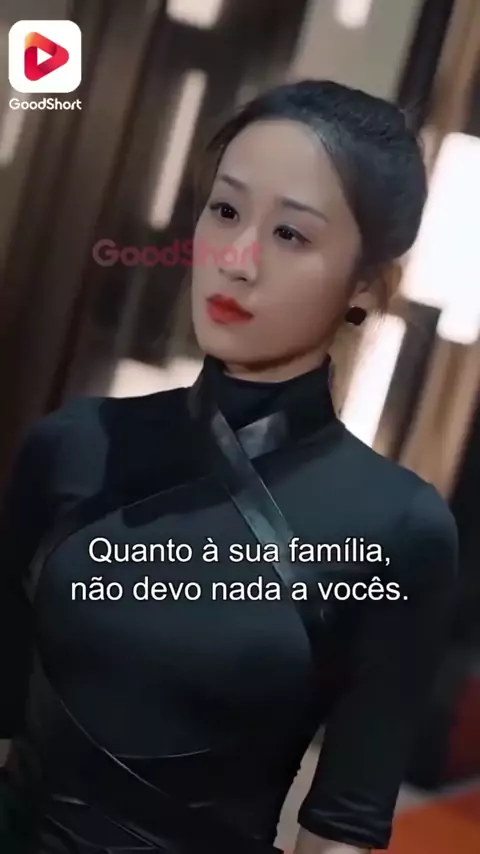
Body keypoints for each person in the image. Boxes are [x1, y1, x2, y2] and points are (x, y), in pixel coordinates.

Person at [0, 79, 457, 854]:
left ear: (365, 284)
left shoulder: (399, 528)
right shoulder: (73, 446)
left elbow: (339, 833)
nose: (237, 260)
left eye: (291, 234)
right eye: (225, 211)